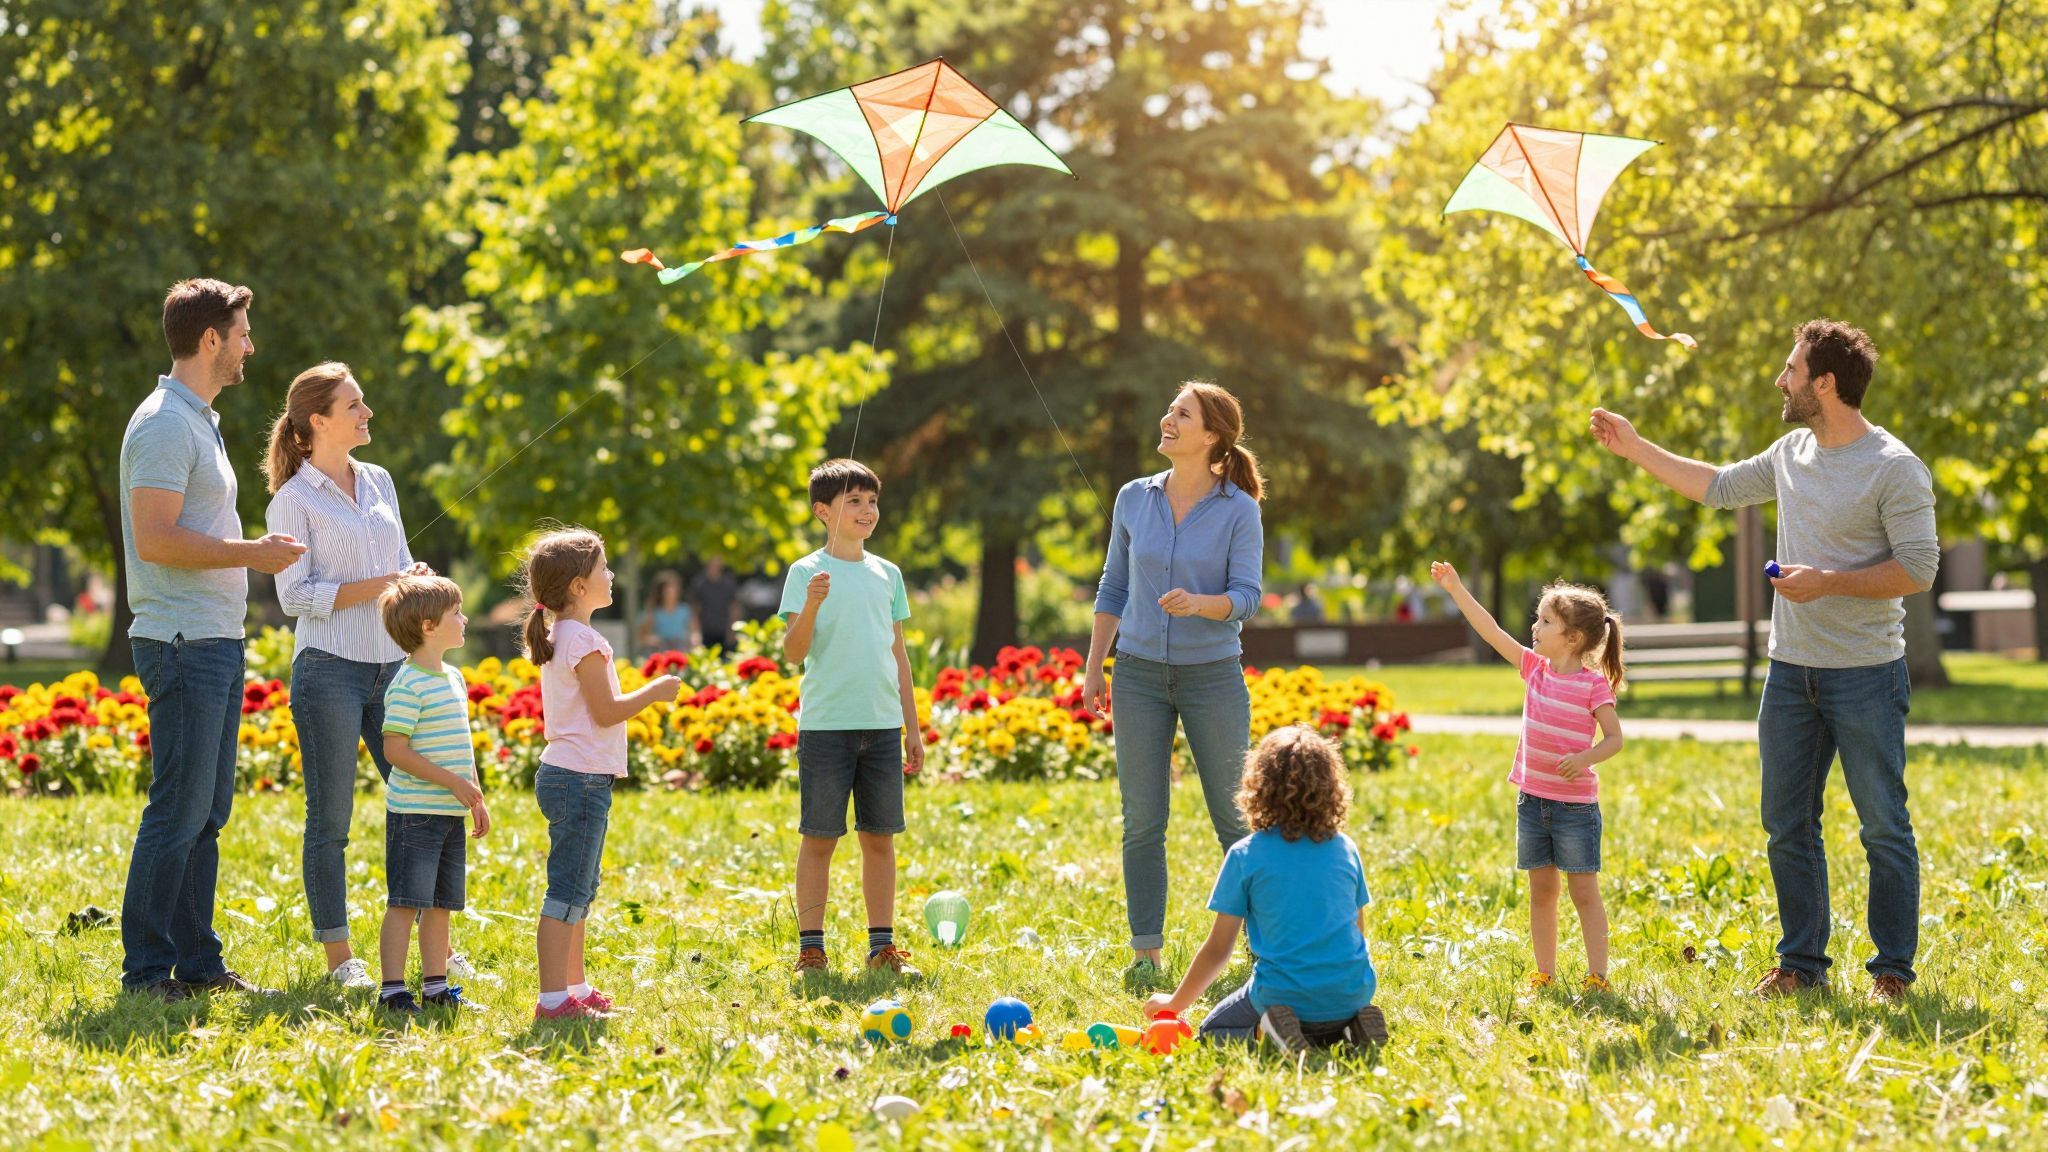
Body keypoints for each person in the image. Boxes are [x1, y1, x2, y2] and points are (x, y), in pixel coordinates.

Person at [1590, 318, 1937, 1005]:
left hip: (1865, 673)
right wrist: (1635, 449)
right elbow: (1716, 485)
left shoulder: (1894, 467)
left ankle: (1891, 971)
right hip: (1790, 674)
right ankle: (1802, 963)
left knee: (1882, 826)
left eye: (1791, 370)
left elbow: (1920, 569)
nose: (1780, 380)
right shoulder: (1791, 452)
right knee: (1786, 824)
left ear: (1825, 383)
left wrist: (1828, 580)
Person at [119, 278, 305, 1001]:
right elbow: (156, 540)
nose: (250, 346)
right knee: (178, 809)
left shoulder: (198, 420)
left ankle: (197, 964)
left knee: (207, 813)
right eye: (243, 333)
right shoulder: (165, 423)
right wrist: (249, 553)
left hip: (214, 640)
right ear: (210, 341)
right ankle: (146, 973)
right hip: (181, 640)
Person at [1082, 382, 1264, 982]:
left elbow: (1247, 597)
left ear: (1210, 435)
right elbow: (1113, 587)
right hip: (1136, 675)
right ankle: (1145, 952)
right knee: (1142, 819)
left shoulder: (1239, 508)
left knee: (1235, 819)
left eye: (1180, 414)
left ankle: (1263, 944)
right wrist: (1094, 667)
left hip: (1212, 676)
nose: (1167, 419)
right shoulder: (1134, 498)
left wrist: (1201, 605)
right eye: (1169, 410)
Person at [264, 361, 435, 989]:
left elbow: (392, 564)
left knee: (422, 805)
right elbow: (295, 596)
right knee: (331, 821)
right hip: (328, 672)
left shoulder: (381, 482)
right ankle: (341, 961)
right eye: (355, 405)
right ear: (319, 420)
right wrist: (382, 583)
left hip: (394, 670)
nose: (367, 414)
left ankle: (433, 950)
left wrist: (409, 576)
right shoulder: (293, 499)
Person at [1431, 563, 1626, 991]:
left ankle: (1597, 976)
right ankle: (1546, 973)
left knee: (1584, 893)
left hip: (1575, 809)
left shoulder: (1594, 686)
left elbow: (1614, 739)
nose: (1534, 626)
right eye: (1537, 618)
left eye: (1545, 621)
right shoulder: (1534, 668)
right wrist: (1456, 588)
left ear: (1573, 638)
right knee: (1542, 891)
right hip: (1532, 801)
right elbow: (1491, 631)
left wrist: (1585, 757)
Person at [520, 528, 682, 1020]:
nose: (611, 575)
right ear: (577, 586)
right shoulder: (583, 640)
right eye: (603, 569)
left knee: (579, 889)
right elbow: (608, 711)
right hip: (579, 779)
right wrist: (655, 691)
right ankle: (553, 1000)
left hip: (574, 777)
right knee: (567, 891)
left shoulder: (563, 634)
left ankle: (575, 986)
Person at [1144, 726, 1387, 1053]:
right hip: (1353, 990)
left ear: (1257, 787)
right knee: (1320, 1009)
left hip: (1282, 993)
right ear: (1332, 788)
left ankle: (1269, 1034)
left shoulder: (1246, 854)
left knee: (1211, 1033)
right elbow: (1358, 933)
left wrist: (1173, 1003)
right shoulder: (1345, 848)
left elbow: (1219, 950)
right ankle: (1345, 1031)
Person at [781, 460, 925, 978]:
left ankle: (881, 947)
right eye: (854, 502)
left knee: (879, 839)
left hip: (883, 727)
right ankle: (811, 949)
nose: (868, 511)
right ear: (823, 512)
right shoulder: (805, 573)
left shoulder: (888, 574)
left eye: (872, 501)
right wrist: (813, 605)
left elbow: (899, 656)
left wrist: (911, 726)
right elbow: (794, 652)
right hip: (825, 728)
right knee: (819, 838)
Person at [375, 575, 488, 1014]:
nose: (464, 619)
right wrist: (451, 783)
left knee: (441, 905)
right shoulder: (407, 684)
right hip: (415, 814)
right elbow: (394, 749)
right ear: (427, 626)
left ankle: (436, 987)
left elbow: (462, 746)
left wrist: (475, 797)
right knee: (406, 902)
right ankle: (392, 990)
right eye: (455, 613)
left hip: (449, 813)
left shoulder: (454, 678)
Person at [690, 555, 741, 653]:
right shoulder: (700, 584)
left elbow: (734, 608)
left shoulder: (728, 585)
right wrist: (696, 632)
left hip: (723, 630)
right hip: (705, 630)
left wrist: (731, 630)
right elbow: (695, 609)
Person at [639, 569, 696, 653]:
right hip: (661, 648)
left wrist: (694, 639)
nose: (670, 593)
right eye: (667, 590)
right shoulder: (653, 611)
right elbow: (642, 637)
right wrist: (652, 640)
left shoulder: (685, 610)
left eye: (673, 590)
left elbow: (695, 632)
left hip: (681, 647)